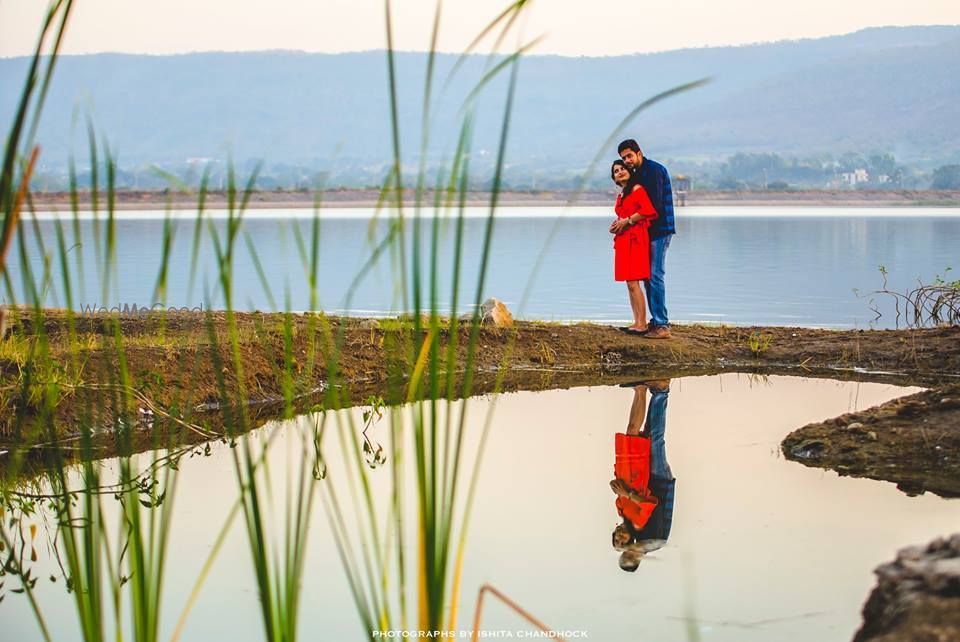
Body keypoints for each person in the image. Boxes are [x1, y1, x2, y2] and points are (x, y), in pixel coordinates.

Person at [610, 380, 676, 572]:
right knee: (655, 439)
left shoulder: (635, 529)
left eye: (625, 553)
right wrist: (627, 494)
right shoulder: (651, 542)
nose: (629, 551)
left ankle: (652, 390)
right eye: (630, 555)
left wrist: (621, 491)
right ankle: (661, 390)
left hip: (647, 481)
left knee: (647, 435)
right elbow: (653, 507)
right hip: (660, 483)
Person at [617, 139, 675, 339]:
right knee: (647, 276)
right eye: (624, 158)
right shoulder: (638, 175)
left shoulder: (654, 171)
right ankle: (654, 321)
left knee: (655, 274)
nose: (627, 160)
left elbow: (655, 207)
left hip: (661, 230)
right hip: (646, 233)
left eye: (629, 156)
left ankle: (662, 324)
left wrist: (627, 221)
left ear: (639, 153)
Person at [610, 160, 658, 335]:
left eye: (622, 168)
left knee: (634, 281)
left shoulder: (637, 189)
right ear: (614, 178)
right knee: (629, 282)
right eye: (616, 171)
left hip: (636, 238)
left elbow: (648, 210)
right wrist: (616, 225)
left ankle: (642, 323)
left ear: (630, 171)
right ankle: (637, 321)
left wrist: (628, 221)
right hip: (624, 239)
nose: (620, 172)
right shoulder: (622, 195)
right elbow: (624, 215)